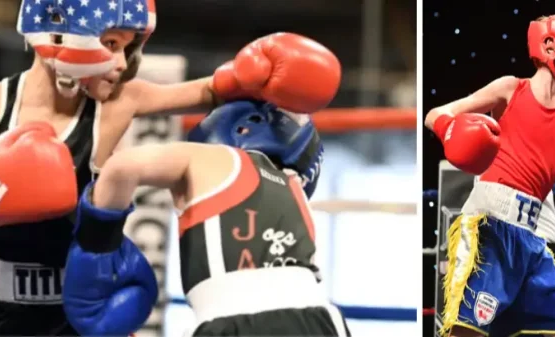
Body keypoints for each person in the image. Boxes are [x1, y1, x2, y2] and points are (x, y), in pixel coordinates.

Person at [0, 0, 342, 335]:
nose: (118, 62)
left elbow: (213, 91)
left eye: (126, 48)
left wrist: (257, 71)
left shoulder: (116, 104)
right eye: (110, 44)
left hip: (83, 315)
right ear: (62, 35)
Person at [61, 98, 347, 336]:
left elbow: (122, 167)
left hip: (236, 321)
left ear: (245, 127)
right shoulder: (295, 194)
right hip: (326, 322)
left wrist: (96, 244)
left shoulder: (217, 157)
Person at [427, 4, 555, 337]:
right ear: (552, 46)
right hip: (489, 227)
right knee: (467, 332)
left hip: (531, 241)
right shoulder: (510, 89)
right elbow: (436, 113)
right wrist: (451, 132)